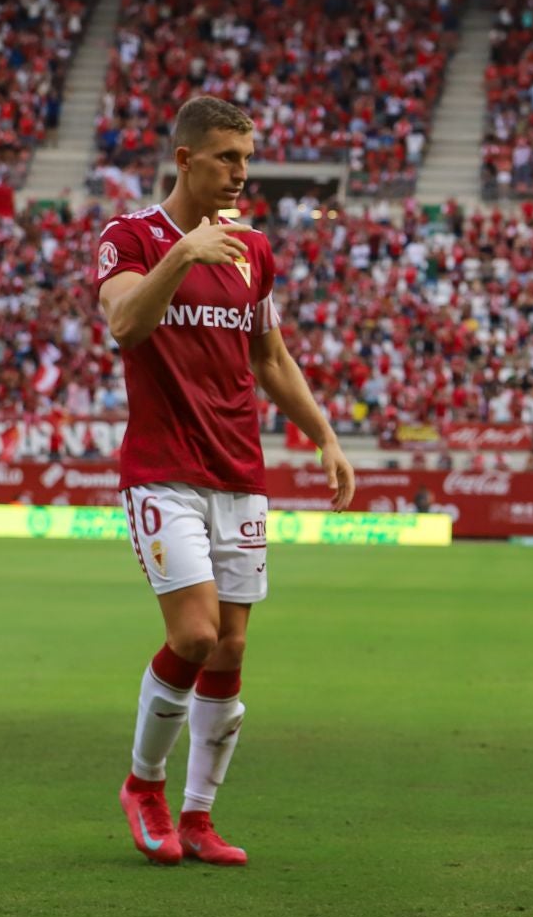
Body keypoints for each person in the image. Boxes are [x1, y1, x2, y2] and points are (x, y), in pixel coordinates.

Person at [98, 95, 356, 869]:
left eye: (246, 158)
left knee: (233, 645)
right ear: (184, 159)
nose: (241, 174)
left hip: (239, 469)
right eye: (226, 158)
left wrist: (324, 435)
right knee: (196, 634)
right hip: (163, 471)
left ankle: (201, 815)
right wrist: (183, 255)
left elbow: (269, 357)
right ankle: (144, 785)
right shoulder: (130, 238)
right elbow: (123, 326)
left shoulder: (254, 251)